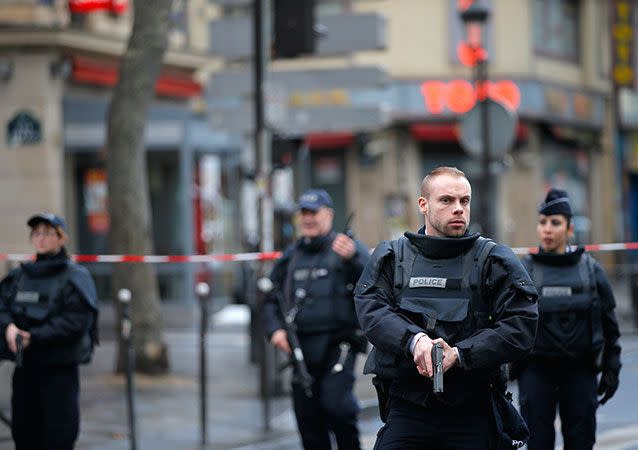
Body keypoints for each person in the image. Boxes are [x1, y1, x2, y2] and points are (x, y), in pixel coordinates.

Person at [355, 166, 538, 450]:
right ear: (423, 205)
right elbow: (371, 310)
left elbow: (521, 325)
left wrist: (461, 354)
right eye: (447, 200)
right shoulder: (392, 257)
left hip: (472, 408)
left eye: (464, 201)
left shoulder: (493, 260)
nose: (458, 209)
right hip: (409, 407)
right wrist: (414, 342)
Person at [513, 189, 622, 450]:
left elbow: (610, 324)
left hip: (580, 372)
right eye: (542, 223)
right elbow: (511, 324)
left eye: (555, 223)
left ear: (569, 228)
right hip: (536, 372)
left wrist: (612, 367)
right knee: (538, 443)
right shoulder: (524, 271)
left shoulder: (590, 269)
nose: (547, 229)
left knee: (581, 442)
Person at [262, 189, 370, 450]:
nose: (308, 218)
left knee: (337, 406)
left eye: (314, 212)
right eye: (304, 213)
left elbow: (374, 279)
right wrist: (275, 330)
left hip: (339, 344)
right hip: (300, 348)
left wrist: (355, 256)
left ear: (329, 215)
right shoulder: (291, 256)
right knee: (308, 419)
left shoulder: (345, 248)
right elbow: (269, 298)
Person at [0, 213, 99, 450]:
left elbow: (76, 321)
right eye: (36, 233)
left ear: (61, 238)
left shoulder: (75, 277)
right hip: (25, 369)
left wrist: (35, 336)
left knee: (58, 436)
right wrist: (9, 328)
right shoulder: (19, 276)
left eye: (47, 232)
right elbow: (2, 307)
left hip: (59, 372)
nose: (41, 238)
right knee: (24, 434)